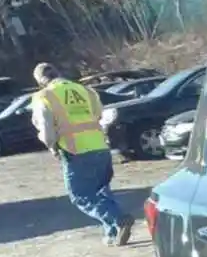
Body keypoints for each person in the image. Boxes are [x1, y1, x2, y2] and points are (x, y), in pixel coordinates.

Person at [31, 62, 132, 245]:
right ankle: (112, 233)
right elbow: (99, 115)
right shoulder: (86, 91)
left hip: (74, 150)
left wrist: (51, 146)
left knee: (81, 195)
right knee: (101, 190)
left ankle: (119, 219)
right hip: (100, 146)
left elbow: (47, 131)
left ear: (40, 81)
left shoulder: (44, 96)